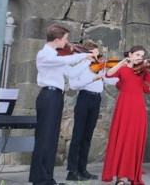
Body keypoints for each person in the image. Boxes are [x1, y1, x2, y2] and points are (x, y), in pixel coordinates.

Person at [30, 24, 99, 185]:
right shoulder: (44, 54)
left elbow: (72, 72)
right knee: (45, 138)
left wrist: (88, 61)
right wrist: (84, 55)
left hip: (56, 96)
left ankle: (44, 177)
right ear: (56, 40)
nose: (68, 43)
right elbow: (64, 60)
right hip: (48, 95)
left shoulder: (57, 56)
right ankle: (42, 179)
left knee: (51, 138)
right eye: (66, 39)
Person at [101, 46, 150, 185]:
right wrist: (122, 62)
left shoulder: (142, 71)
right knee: (122, 139)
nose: (140, 58)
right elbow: (108, 74)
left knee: (134, 141)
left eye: (142, 56)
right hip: (124, 108)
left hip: (138, 109)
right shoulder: (123, 69)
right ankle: (120, 178)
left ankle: (133, 176)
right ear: (130, 54)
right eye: (137, 54)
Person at [65, 42, 118, 181]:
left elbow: (112, 80)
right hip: (84, 98)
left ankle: (83, 169)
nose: (97, 55)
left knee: (87, 136)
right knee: (77, 136)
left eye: (97, 53)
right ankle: (72, 171)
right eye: (94, 53)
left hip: (96, 100)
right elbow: (74, 84)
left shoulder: (100, 66)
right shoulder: (81, 66)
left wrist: (121, 68)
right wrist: (92, 77)